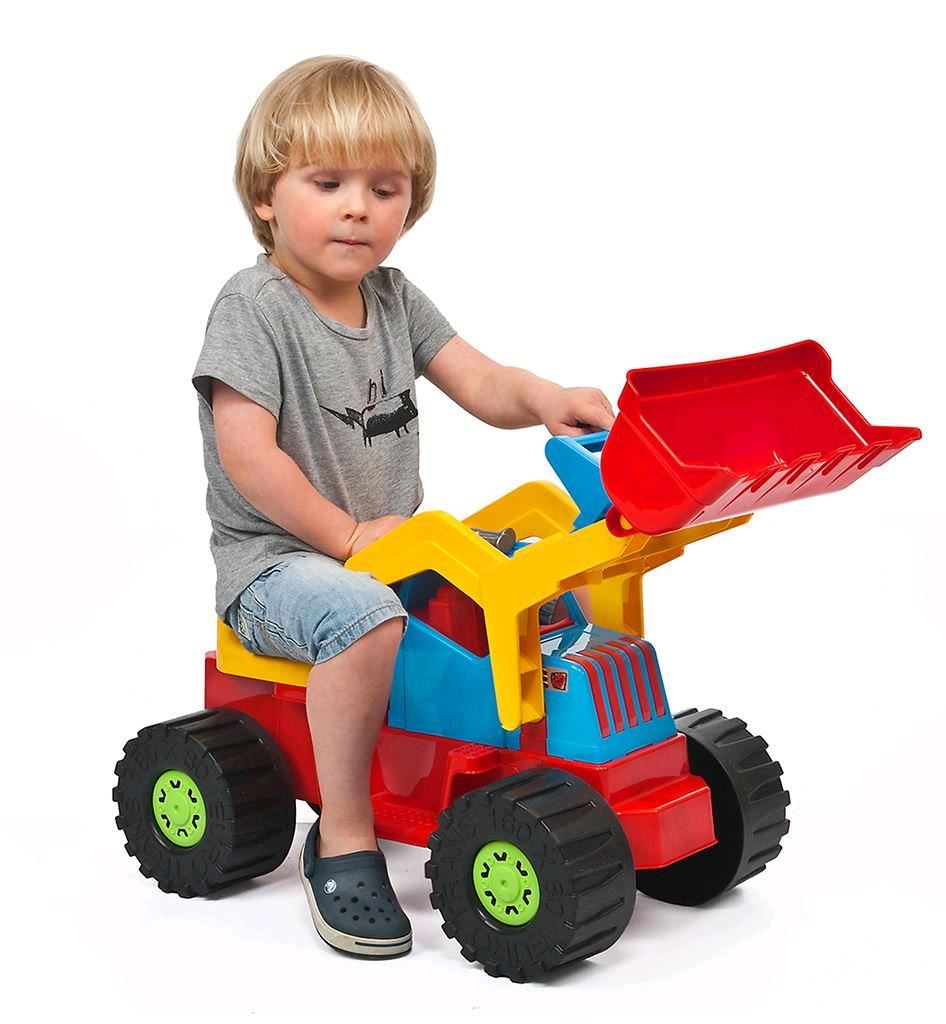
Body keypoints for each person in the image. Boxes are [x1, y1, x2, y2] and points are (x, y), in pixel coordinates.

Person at [192, 55, 615, 959]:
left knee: (531, 567)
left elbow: (482, 381)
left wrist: (544, 398)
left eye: (384, 190)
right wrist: (345, 536)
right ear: (265, 196)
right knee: (365, 616)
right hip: (279, 566)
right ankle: (344, 834)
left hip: (392, 549)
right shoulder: (252, 309)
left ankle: (543, 766)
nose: (358, 208)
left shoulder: (393, 298)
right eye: (328, 183)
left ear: (410, 206)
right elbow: (248, 456)